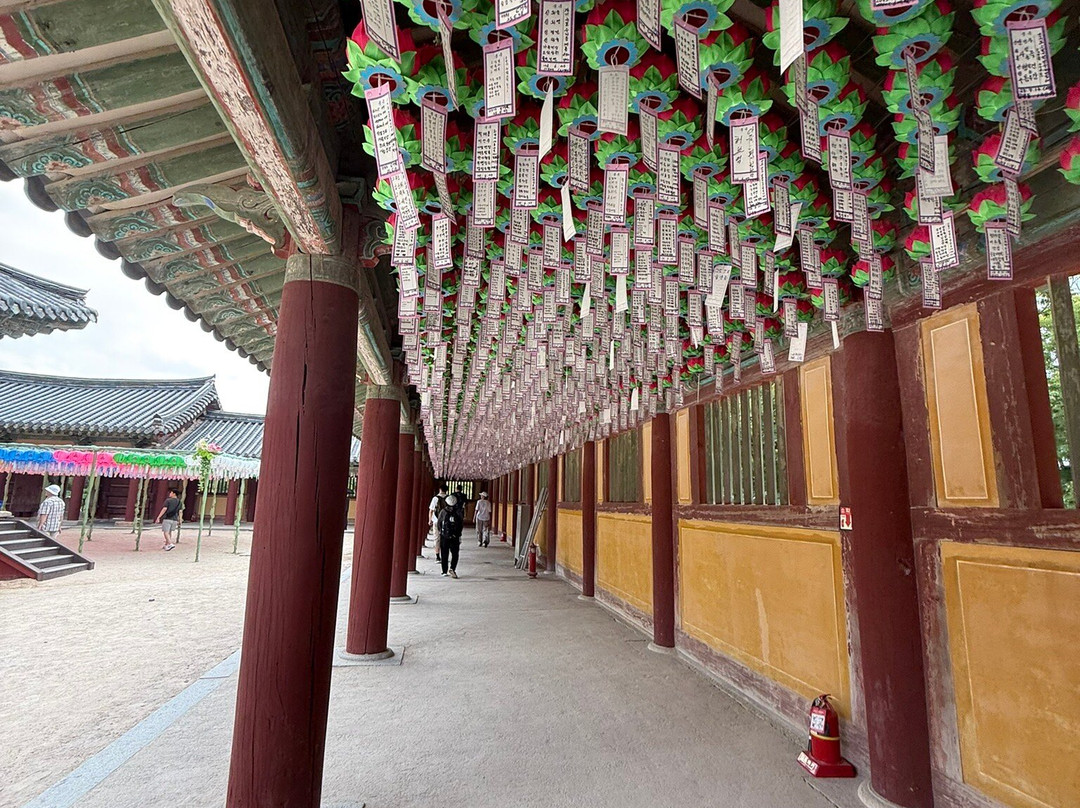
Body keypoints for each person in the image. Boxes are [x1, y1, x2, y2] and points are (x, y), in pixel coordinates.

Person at [437, 493, 464, 578]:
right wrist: (458, 534)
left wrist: (441, 532)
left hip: (445, 536)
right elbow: (461, 524)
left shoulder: (443, 512)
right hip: (455, 536)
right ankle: (452, 568)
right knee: (455, 553)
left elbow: (439, 523)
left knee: (444, 553)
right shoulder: (458, 512)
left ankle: (444, 571)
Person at [429, 484, 447, 560]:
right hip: (446, 521)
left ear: (440, 489)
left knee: (437, 538)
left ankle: (437, 556)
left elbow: (431, 510)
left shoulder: (435, 498)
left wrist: (430, 520)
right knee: (445, 538)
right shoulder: (448, 498)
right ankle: (444, 555)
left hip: (436, 520)